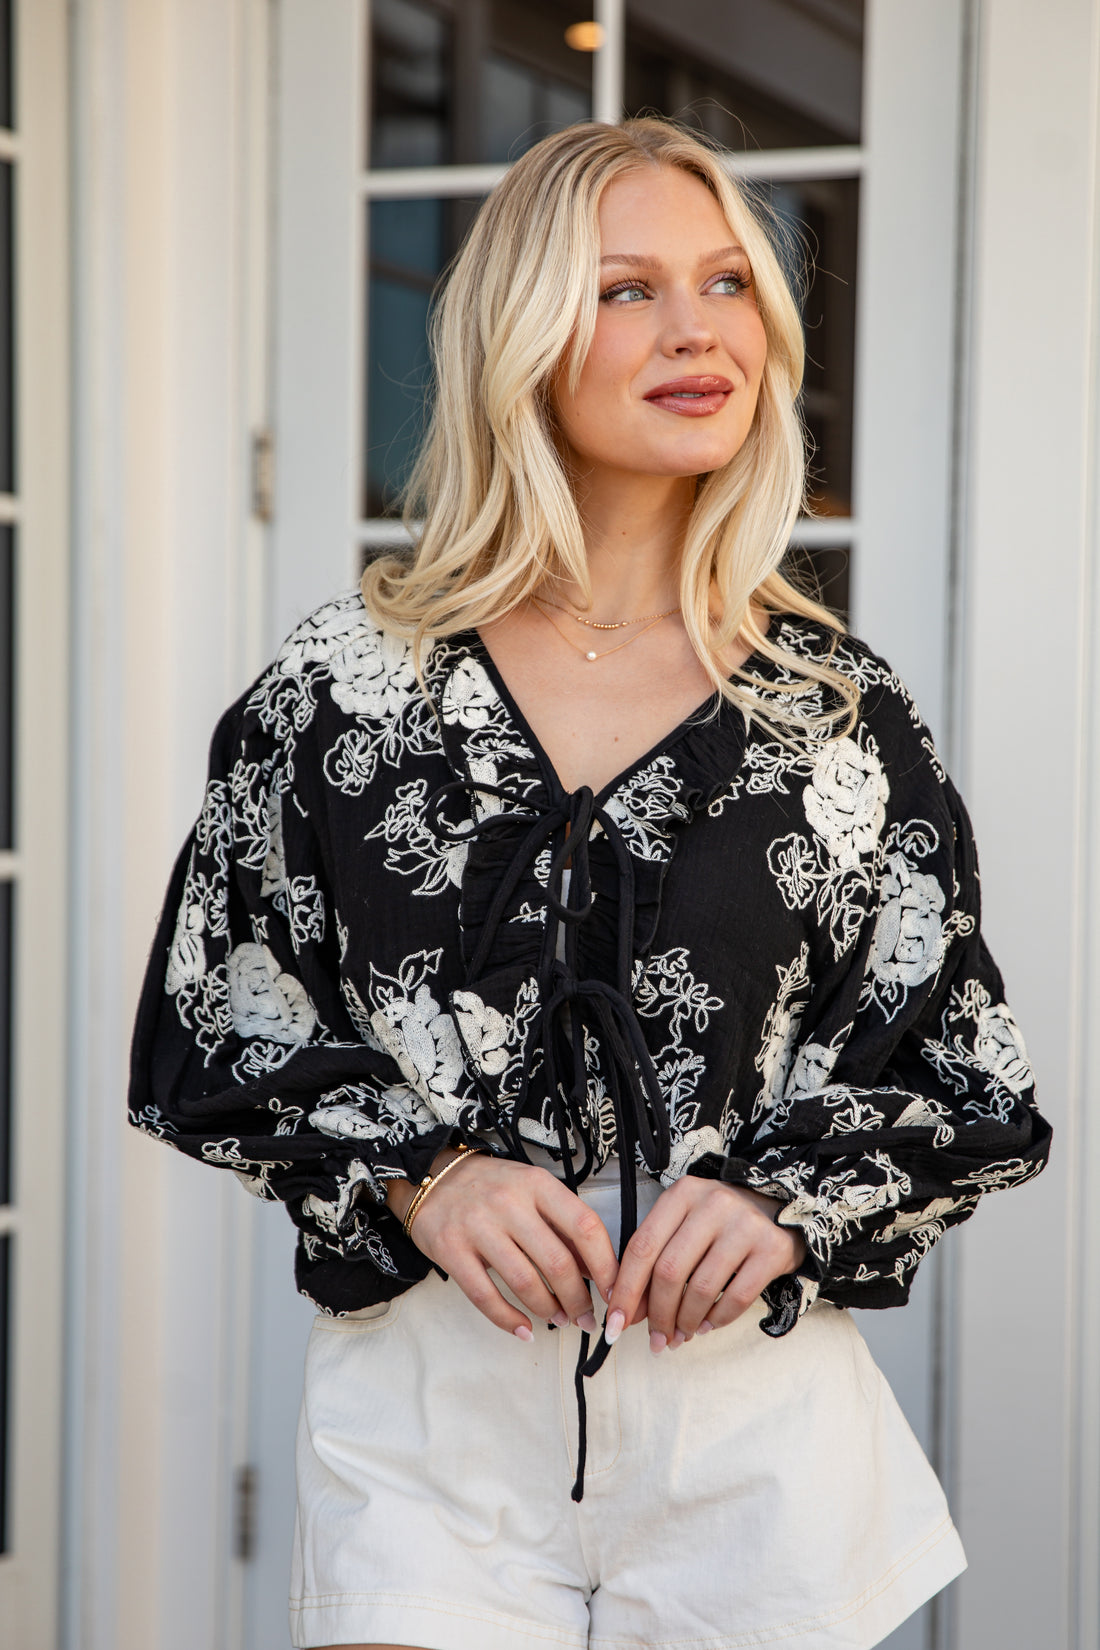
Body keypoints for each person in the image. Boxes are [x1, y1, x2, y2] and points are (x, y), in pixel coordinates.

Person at [128, 117, 1052, 1650]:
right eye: (628, 290)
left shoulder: (837, 713)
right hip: (433, 1419)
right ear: (525, 339)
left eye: (727, 285)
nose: (699, 330)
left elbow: (964, 1072)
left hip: (750, 1431)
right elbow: (210, 1025)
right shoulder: (346, 695)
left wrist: (780, 1201)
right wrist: (430, 1174)